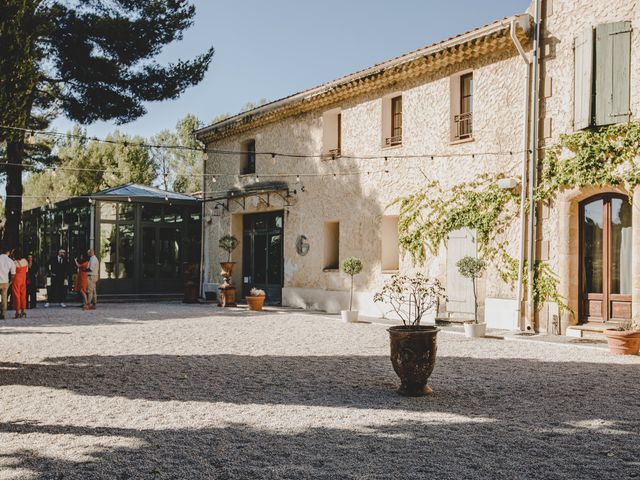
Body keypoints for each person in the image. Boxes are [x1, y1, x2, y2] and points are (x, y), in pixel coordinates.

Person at [0, 246, 16, 320]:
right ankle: (3, 313)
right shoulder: (10, 261)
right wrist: (10, 281)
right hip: (5, 281)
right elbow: (13, 274)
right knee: (4, 298)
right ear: (8, 253)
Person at [11, 249, 28, 318]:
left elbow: (12, 272)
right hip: (23, 279)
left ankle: (17, 311)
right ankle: (24, 311)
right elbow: (26, 271)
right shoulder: (25, 261)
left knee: (16, 295)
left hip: (16, 279)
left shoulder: (14, 262)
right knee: (23, 295)